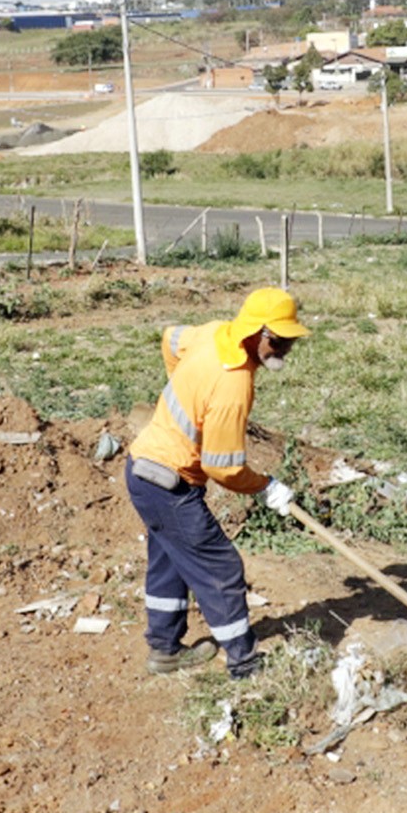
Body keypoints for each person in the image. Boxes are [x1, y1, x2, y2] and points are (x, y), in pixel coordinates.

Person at [124, 287, 310, 679]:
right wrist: (265, 487)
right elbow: (222, 467)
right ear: (256, 333)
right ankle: (245, 664)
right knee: (220, 569)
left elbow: (171, 338)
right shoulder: (232, 385)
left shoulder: (213, 332)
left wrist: (183, 389)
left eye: (290, 341)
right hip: (169, 485)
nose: (286, 350)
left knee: (169, 562)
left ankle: (164, 652)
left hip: (143, 470)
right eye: (280, 341)